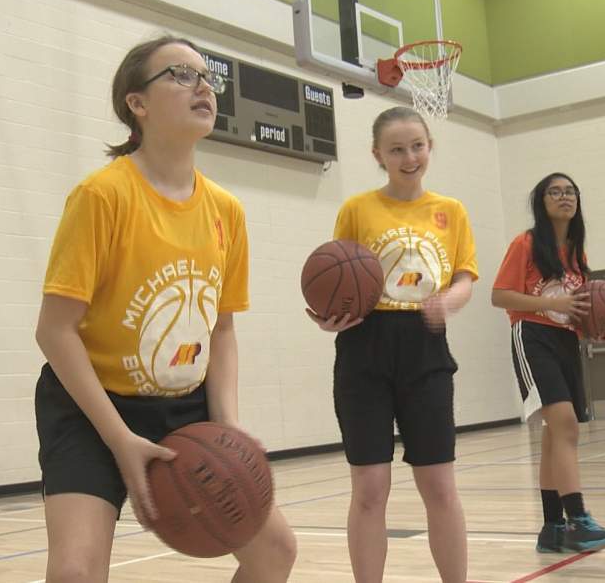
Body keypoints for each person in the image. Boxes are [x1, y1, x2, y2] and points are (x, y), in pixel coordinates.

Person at [33, 36, 296, 582]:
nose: (202, 86)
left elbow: (222, 330)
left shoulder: (227, 210)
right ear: (137, 103)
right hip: (91, 407)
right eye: (179, 74)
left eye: (207, 77)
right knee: (74, 575)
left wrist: (227, 425)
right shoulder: (102, 196)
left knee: (275, 551)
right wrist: (119, 439)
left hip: (186, 404)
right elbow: (54, 331)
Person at [308, 106, 477, 583]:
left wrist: (449, 302)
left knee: (440, 486)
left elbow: (465, 276)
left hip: (426, 347)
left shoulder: (451, 211)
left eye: (417, 146)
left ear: (430, 148)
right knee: (369, 487)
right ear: (377, 154)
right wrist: (331, 316)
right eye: (397, 149)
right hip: (364, 347)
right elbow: (340, 277)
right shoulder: (357, 209)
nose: (409, 157)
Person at [490, 172, 605, 554]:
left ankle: (551, 528)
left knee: (555, 433)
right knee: (564, 426)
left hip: (565, 341)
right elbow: (500, 296)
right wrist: (552, 304)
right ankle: (579, 520)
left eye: (570, 191)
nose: (564, 197)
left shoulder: (577, 253)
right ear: (541, 201)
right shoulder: (527, 243)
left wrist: (595, 328)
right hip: (531, 336)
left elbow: (578, 309)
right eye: (555, 191)